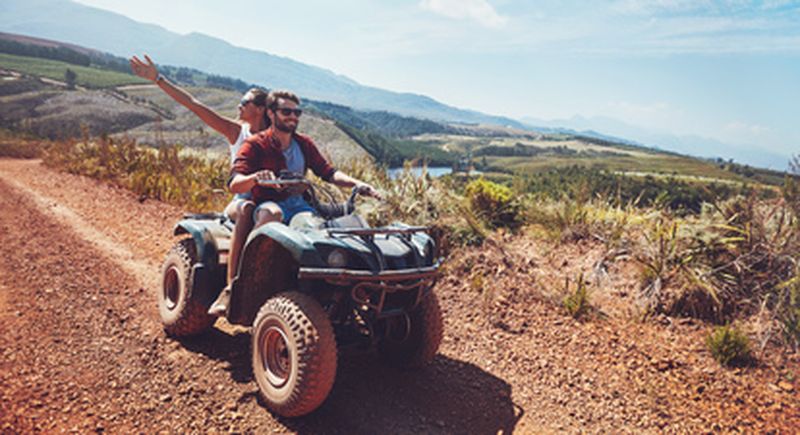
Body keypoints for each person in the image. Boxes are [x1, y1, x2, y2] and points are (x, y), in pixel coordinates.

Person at [207, 89, 381, 315]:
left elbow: (328, 172)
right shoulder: (255, 144)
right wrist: (254, 178)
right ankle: (248, 279)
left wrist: (357, 183)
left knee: (314, 226)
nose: (293, 117)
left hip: (299, 205)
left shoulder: (303, 144)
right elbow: (234, 182)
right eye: (286, 111)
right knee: (271, 214)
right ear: (271, 113)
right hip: (267, 203)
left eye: (297, 112)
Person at [129, 54, 268, 306]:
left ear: (258, 109)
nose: (238, 106)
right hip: (242, 199)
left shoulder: (274, 137)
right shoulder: (236, 132)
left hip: (271, 201)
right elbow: (194, 105)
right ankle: (233, 286)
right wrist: (158, 79)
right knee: (247, 209)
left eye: (243, 101)